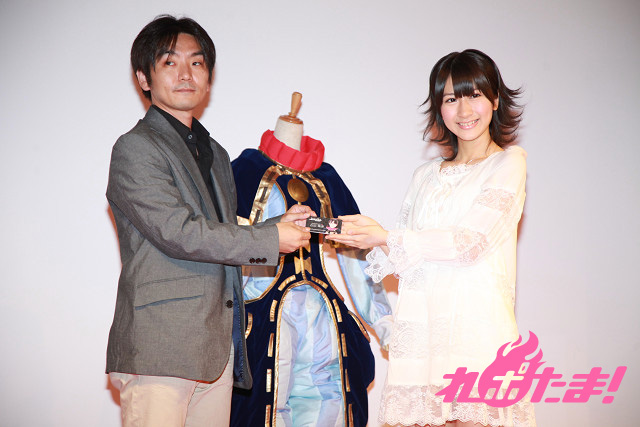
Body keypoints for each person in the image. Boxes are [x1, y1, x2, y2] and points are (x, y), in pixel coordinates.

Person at [105, 15, 312, 427]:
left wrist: (277, 224)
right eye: (169, 62)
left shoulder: (215, 153)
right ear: (144, 78)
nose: (186, 74)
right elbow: (179, 232)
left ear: (208, 77)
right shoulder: (135, 147)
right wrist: (271, 238)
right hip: (160, 347)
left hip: (217, 349)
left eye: (197, 63)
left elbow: (221, 233)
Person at [327, 49, 536, 426]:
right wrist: (363, 234)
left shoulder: (509, 163)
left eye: (474, 95)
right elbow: (402, 257)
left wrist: (384, 236)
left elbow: (469, 243)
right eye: (451, 99)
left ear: (495, 100)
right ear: (440, 108)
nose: (464, 109)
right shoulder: (425, 175)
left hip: (475, 334)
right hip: (424, 338)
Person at [229, 95, 393, 427]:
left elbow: (355, 250)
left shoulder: (326, 178)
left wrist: (383, 321)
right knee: (267, 401)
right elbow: (228, 246)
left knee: (329, 400)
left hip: (321, 313)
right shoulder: (244, 170)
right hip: (265, 309)